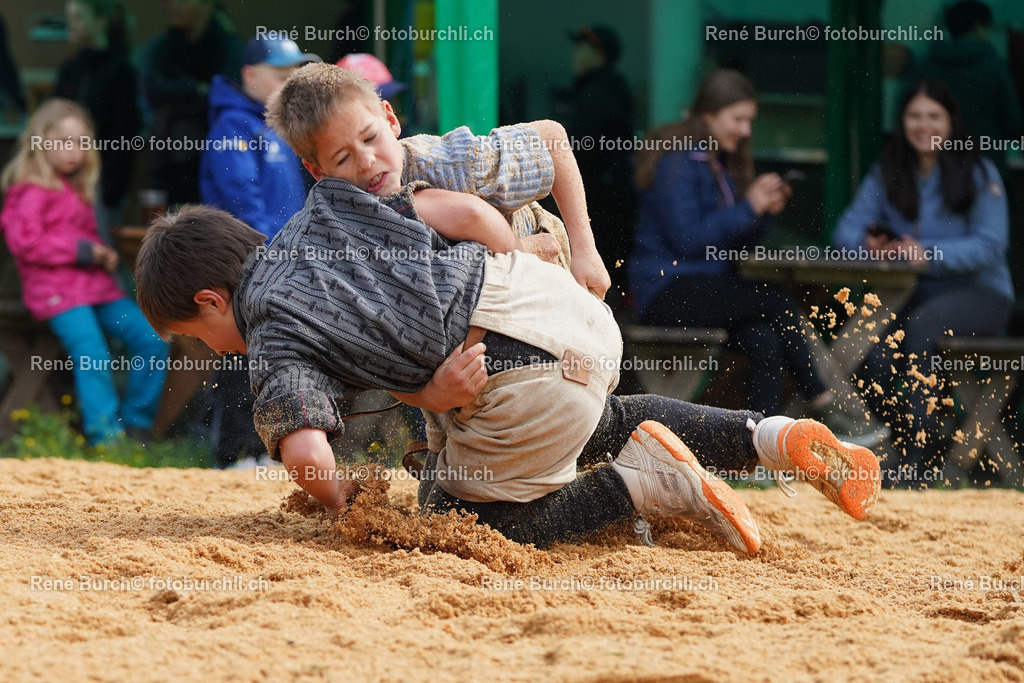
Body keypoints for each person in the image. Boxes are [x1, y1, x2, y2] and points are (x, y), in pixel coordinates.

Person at [132, 69, 882, 554]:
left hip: (508, 357)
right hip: (561, 305)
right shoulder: (342, 203)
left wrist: (335, 501)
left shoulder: (268, 326)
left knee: (463, 522)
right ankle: (774, 437)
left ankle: (643, 485)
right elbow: (448, 224)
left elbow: (310, 458)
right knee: (603, 418)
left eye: (200, 338)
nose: (217, 352)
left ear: (211, 299)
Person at [629, 69, 885, 445]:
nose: (746, 130)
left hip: (702, 289)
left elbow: (732, 243)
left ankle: (755, 452)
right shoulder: (679, 161)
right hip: (666, 291)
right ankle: (825, 403)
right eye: (738, 118)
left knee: (765, 338)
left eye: (749, 120)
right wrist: (748, 205)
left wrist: (762, 211)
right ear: (708, 114)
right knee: (774, 299)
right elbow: (687, 240)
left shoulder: (718, 164)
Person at [281, 62, 608, 297]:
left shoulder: (450, 163)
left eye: (369, 138)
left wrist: (585, 250)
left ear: (391, 120)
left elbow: (551, 138)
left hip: (548, 278)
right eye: (342, 158)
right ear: (318, 173)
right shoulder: (335, 218)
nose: (366, 162)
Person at [833, 79, 1013, 487]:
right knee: (870, 343)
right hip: (913, 293)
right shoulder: (889, 170)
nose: (924, 125)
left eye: (934, 116)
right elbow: (845, 233)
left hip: (981, 292)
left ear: (951, 122)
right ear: (902, 121)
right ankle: (884, 452)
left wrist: (928, 253)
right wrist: (870, 247)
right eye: (915, 115)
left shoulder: (979, 170)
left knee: (923, 329)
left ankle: (921, 456)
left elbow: (990, 244)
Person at [0, 99, 168, 444]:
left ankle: (137, 425)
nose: (74, 150)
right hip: (55, 292)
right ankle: (105, 437)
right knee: (92, 352)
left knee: (152, 337)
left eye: (81, 141)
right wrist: (83, 251)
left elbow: (81, 236)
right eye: (64, 141)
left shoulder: (78, 189)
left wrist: (102, 254)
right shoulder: (30, 190)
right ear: (41, 142)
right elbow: (25, 243)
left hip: (95, 288)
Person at [197, 36, 320, 469]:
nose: (290, 83)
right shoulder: (233, 127)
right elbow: (242, 206)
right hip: (246, 264)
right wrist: (282, 252)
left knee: (271, 351)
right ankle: (232, 453)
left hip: (277, 260)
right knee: (242, 350)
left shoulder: (277, 126)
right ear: (251, 75)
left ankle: (260, 450)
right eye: (280, 74)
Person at [553, 24, 636, 312]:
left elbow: (579, 154)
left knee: (596, 284)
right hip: (610, 200)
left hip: (599, 203)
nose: (575, 55)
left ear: (598, 54)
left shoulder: (597, 92)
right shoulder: (609, 88)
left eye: (582, 48)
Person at [140, 0, 243, 205]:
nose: (171, 6)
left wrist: (175, 94)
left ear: (206, 4)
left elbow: (222, 99)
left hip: (211, 160)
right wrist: (197, 88)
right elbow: (151, 89)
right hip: (166, 158)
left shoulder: (229, 47)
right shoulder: (161, 46)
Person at [55, 0, 141, 238]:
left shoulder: (121, 71)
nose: (71, 25)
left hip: (101, 187)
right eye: (69, 18)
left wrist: (111, 192)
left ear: (100, 21)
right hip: (64, 183)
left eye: (78, 18)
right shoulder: (69, 69)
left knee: (100, 255)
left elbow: (125, 133)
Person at [907, 0, 1022, 175]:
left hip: (936, 166)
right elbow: (1013, 123)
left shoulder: (925, 66)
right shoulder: (994, 66)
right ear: (978, 27)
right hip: (984, 166)